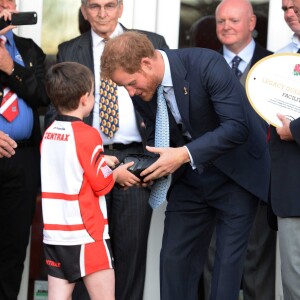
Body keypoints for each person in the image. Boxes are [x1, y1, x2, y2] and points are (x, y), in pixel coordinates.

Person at [100, 31, 271, 300]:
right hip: (189, 181)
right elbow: (158, 132)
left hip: (236, 176)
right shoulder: (140, 87)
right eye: (125, 88)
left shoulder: (206, 64)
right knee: (173, 260)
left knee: (225, 270)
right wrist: (149, 167)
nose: (130, 92)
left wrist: (183, 154)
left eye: (131, 84)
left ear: (147, 63)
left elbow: (237, 127)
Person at [44, 1, 169, 299]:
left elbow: (166, 107)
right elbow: (55, 113)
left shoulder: (152, 44)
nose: (102, 13)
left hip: (135, 159)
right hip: (85, 161)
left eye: (109, 5)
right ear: (84, 10)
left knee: (131, 255)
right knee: (84, 255)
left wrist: (152, 160)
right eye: (94, 6)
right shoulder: (68, 50)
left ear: (121, 8)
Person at [41, 61, 139, 300]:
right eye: (94, 93)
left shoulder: (50, 131)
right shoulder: (89, 134)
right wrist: (114, 173)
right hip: (87, 233)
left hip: (55, 234)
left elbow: (69, 166)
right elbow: (101, 184)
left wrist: (99, 161)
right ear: (85, 98)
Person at [201, 1, 276, 300]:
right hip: (213, 178)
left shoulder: (274, 64)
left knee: (258, 265)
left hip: (259, 181)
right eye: (221, 21)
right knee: (214, 263)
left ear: (252, 22)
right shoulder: (203, 64)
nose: (226, 26)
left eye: (234, 20)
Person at [0, 1, 50, 299]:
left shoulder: (29, 50)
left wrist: (10, 67)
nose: (6, 6)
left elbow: (43, 97)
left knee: (13, 247)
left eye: (10, 1)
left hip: (23, 160)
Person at [268, 0, 300, 299]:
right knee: (294, 285)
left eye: (295, 5)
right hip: (291, 190)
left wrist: (296, 130)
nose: (289, 13)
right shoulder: (280, 60)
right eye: (284, 8)